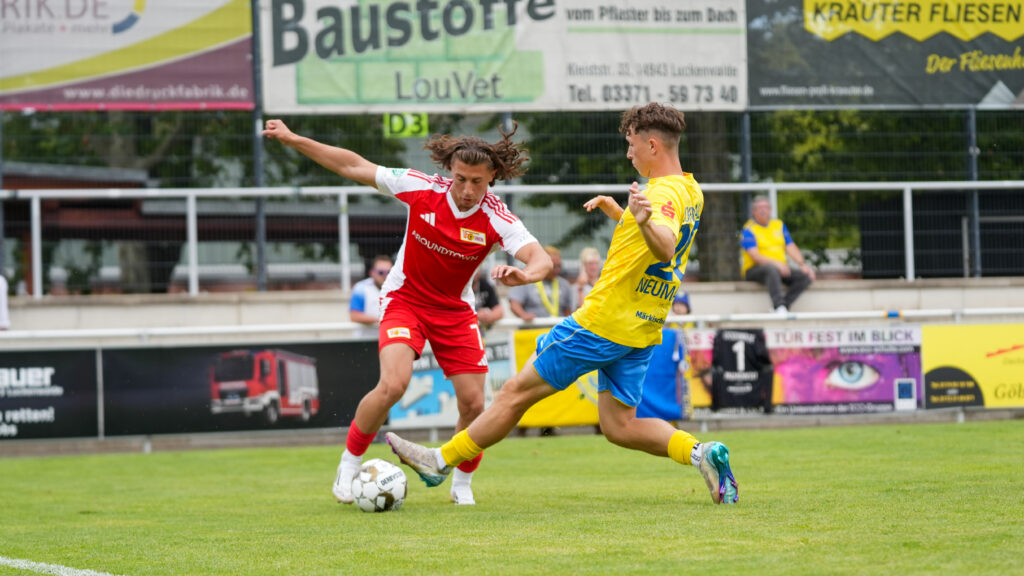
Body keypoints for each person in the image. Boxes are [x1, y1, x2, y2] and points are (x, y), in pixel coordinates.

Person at [386, 102, 738, 505]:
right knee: (619, 426)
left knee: (515, 392)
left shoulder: (659, 193)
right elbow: (657, 241)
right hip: (642, 326)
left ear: (653, 145)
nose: (629, 153)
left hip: (602, 322)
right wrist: (624, 216)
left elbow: (664, 246)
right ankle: (701, 453)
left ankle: (439, 460)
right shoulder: (691, 189)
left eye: (631, 145)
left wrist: (639, 220)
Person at [263, 119, 553, 507]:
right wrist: (292, 138)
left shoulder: (497, 217)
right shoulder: (421, 188)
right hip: (405, 300)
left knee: (473, 404)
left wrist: (525, 275)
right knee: (393, 384)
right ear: (449, 171)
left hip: (454, 309)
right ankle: (349, 464)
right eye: (461, 179)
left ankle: (461, 484)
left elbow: (540, 259)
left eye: (477, 183)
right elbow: (353, 166)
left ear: (493, 178)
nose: (467, 190)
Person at [740, 195, 816, 313]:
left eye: (765, 207)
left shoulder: (778, 225)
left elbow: (790, 246)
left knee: (805, 277)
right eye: (759, 208)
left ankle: (784, 305)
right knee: (771, 269)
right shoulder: (748, 229)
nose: (763, 210)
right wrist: (777, 264)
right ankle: (778, 305)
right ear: (753, 211)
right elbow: (755, 256)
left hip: (779, 268)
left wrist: (802, 264)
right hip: (754, 270)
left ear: (770, 210)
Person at [508, 245, 572, 322]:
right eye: (554, 266)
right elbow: (514, 304)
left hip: (557, 331)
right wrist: (523, 315)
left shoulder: (564, 284)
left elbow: (567, 311)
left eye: (559, 266)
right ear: (544, 263)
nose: (557, 270)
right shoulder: (525, 280)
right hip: (533, 331)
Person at [349, 254, 392, 335]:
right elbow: (354, 316)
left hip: (389, 341)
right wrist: (383, 320)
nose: (385, 275)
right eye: (381, 272)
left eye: (389, 272)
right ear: (372, 272)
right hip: (364, 342)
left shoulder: (398, 289)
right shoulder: (361, 288)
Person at [472, 266, 504, 331]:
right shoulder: (459, 288)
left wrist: (489, 316)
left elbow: (499, 311)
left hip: (480, 330)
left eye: (477, 268)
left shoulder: (485, 285)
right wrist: (476, 315)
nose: (475, 272)